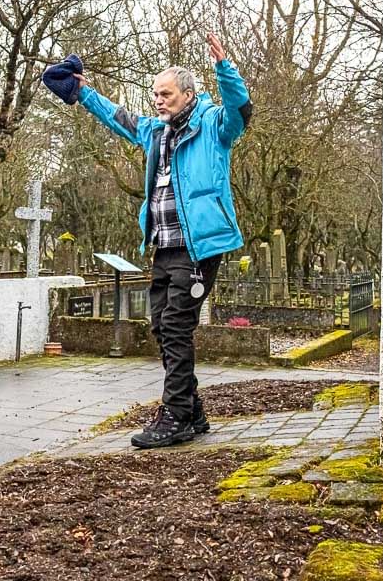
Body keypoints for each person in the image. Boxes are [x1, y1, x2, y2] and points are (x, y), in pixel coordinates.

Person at [48, 33, 253, 449]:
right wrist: (83, 92)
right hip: (163, 244)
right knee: (161, 326)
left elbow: (240, 109)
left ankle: (175, 415)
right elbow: (119, 118)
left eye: (166, 94)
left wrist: (224, 68)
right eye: (155, 94)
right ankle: (192, 410)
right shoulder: (156, 132)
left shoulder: (213, 125)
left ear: (188, 95)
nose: (158, 101)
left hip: (198, 247)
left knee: (176, 326)